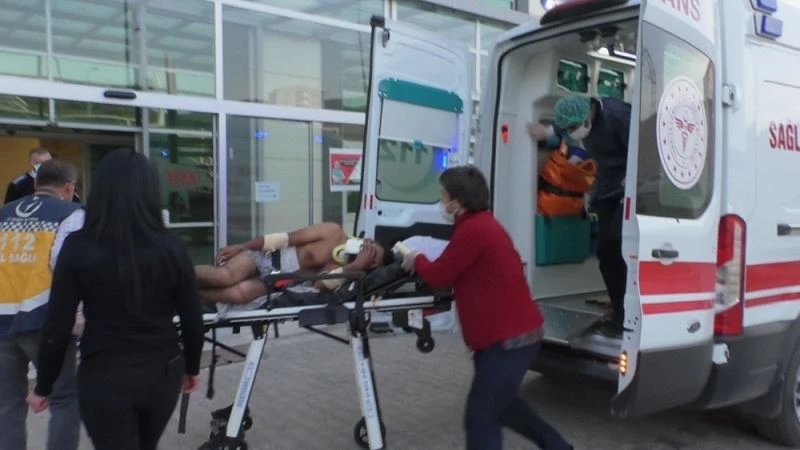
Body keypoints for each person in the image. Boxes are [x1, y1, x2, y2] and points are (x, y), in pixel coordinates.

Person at [25, 148, 205, 450]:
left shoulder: (78, 247)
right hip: (162, 371)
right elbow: (192, 317)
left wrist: (44, 385)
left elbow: (58, 324)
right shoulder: (172, 247)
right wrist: (193, 367)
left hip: (103, 373)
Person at [400, 165, 573, 450]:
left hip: (508, 341)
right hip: (509, 338)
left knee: (481, 418)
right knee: (504, 406)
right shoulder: (481, 225)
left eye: (444, 196)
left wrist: (416, 258)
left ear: (459, 201)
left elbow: (440, 276)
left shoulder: (474, 230)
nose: (442, 202)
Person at [529, 94, 631, 333]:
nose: (572, 132)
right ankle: (620, 312)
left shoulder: (617, 116)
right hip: (608, 188)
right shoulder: (575, 118)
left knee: (617, 243)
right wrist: (546, 132)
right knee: (605, 252)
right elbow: (561, 128)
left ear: (588, 113)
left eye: (573, 127)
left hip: (630, 186)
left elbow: (642, 149)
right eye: (568, 128)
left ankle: (630, 312)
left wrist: (633, 182)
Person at [0, 159, 82, 450]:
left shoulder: (3, 213)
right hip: (44, 321)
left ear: (36, 183)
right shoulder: (72, 214)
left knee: (7, 404)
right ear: (69, 187)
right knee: (64, 399)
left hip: (2, 321)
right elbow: (69, 268)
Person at [196, 223, 392, 304]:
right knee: (226, 276)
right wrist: (241, 246)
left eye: (372, 262)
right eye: (371, 251)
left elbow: (318, 286)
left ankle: (189, 293)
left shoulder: (345, 272)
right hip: (267, 258)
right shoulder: (333, 232)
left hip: (278, 282)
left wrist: (354, 267)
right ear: (366, 241)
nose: (367, 257)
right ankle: (180, 270)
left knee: (239, 295)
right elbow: (283, 238)